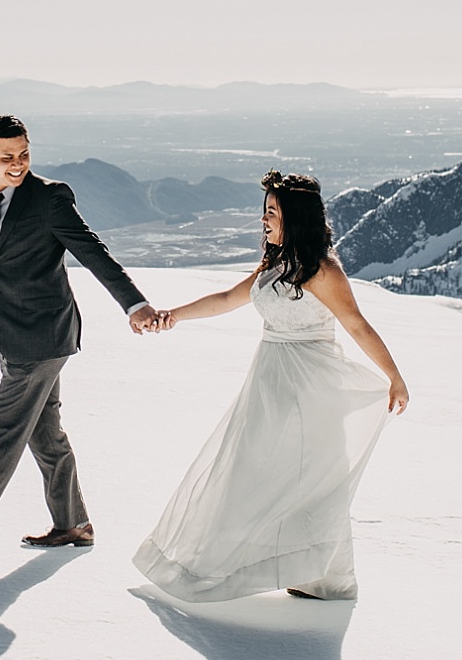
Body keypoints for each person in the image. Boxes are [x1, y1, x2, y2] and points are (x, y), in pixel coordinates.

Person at [132, 170, 409, 601]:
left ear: (295, 218)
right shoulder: (275, 263)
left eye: (272, 213)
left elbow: (357, 325)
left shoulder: (322, 271)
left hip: (311, 386)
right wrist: (174, 315)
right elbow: (227, 299)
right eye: (264, 212)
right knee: (256, 473)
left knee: (309, 478)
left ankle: (322, 577)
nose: (264, 221)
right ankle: (269, 566)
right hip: (271, 382)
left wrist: (394, 377)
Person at [0, 115, 162, 553]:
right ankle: (74, 525)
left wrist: (134, 303)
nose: (18, 164)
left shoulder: (50, 198)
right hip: (7, 333)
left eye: (25, 154)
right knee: (45, 435)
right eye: (8, 156)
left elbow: (92, 251)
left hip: (44, 336)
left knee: (5, 430)